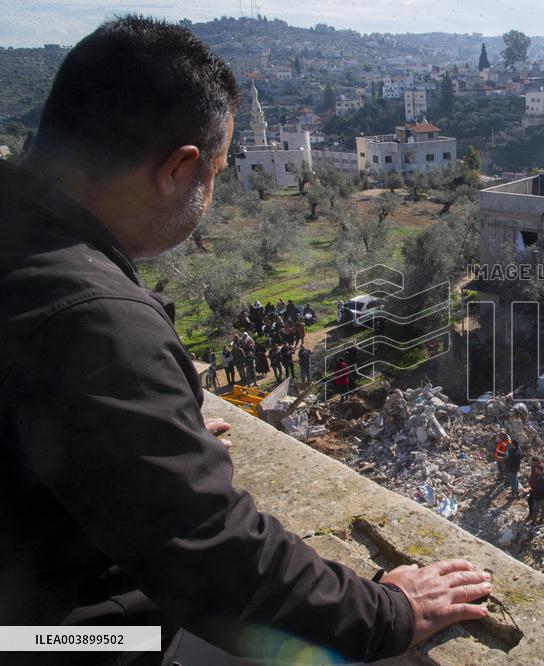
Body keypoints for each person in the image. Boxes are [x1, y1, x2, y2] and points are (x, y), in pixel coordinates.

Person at [0, 17, 488, 665]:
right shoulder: (93, 319)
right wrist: (391, 613)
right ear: (180, 168)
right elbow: (218, 560)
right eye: (219, 172)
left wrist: (150, 432)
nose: (211, 194)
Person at [526, 459, 544, 525]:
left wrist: (531, 491)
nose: (535, 470)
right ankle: (542, 519)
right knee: (542, 508)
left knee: (536, 509)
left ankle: (534, 522)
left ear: (539, 470)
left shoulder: (542, 479)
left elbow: (538, 491)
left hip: (539, 497)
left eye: (536, 469)